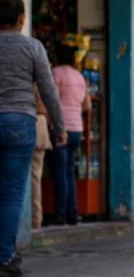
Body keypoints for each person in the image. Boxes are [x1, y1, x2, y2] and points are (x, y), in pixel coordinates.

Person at [0, 0, 66, 277]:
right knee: (12, 193)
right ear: (21, 18)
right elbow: (49, 91)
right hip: (20, 122)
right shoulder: (33, 47)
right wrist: (60, 126)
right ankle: (4, 257)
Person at [50, 44, 89, 225]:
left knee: (60, 171)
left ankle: (60, 215)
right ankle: (73, 213)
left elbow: (52, 98)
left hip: (61, 128)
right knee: (70, 171)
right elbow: (87, 105)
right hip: (77, 128)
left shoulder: (55, 73)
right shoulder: (79, 77)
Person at [31, 91, 52, 229]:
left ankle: (32, 218)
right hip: (42, 122)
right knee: (35, 176)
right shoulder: (45, 79)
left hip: (30, 119)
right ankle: (36, 218)